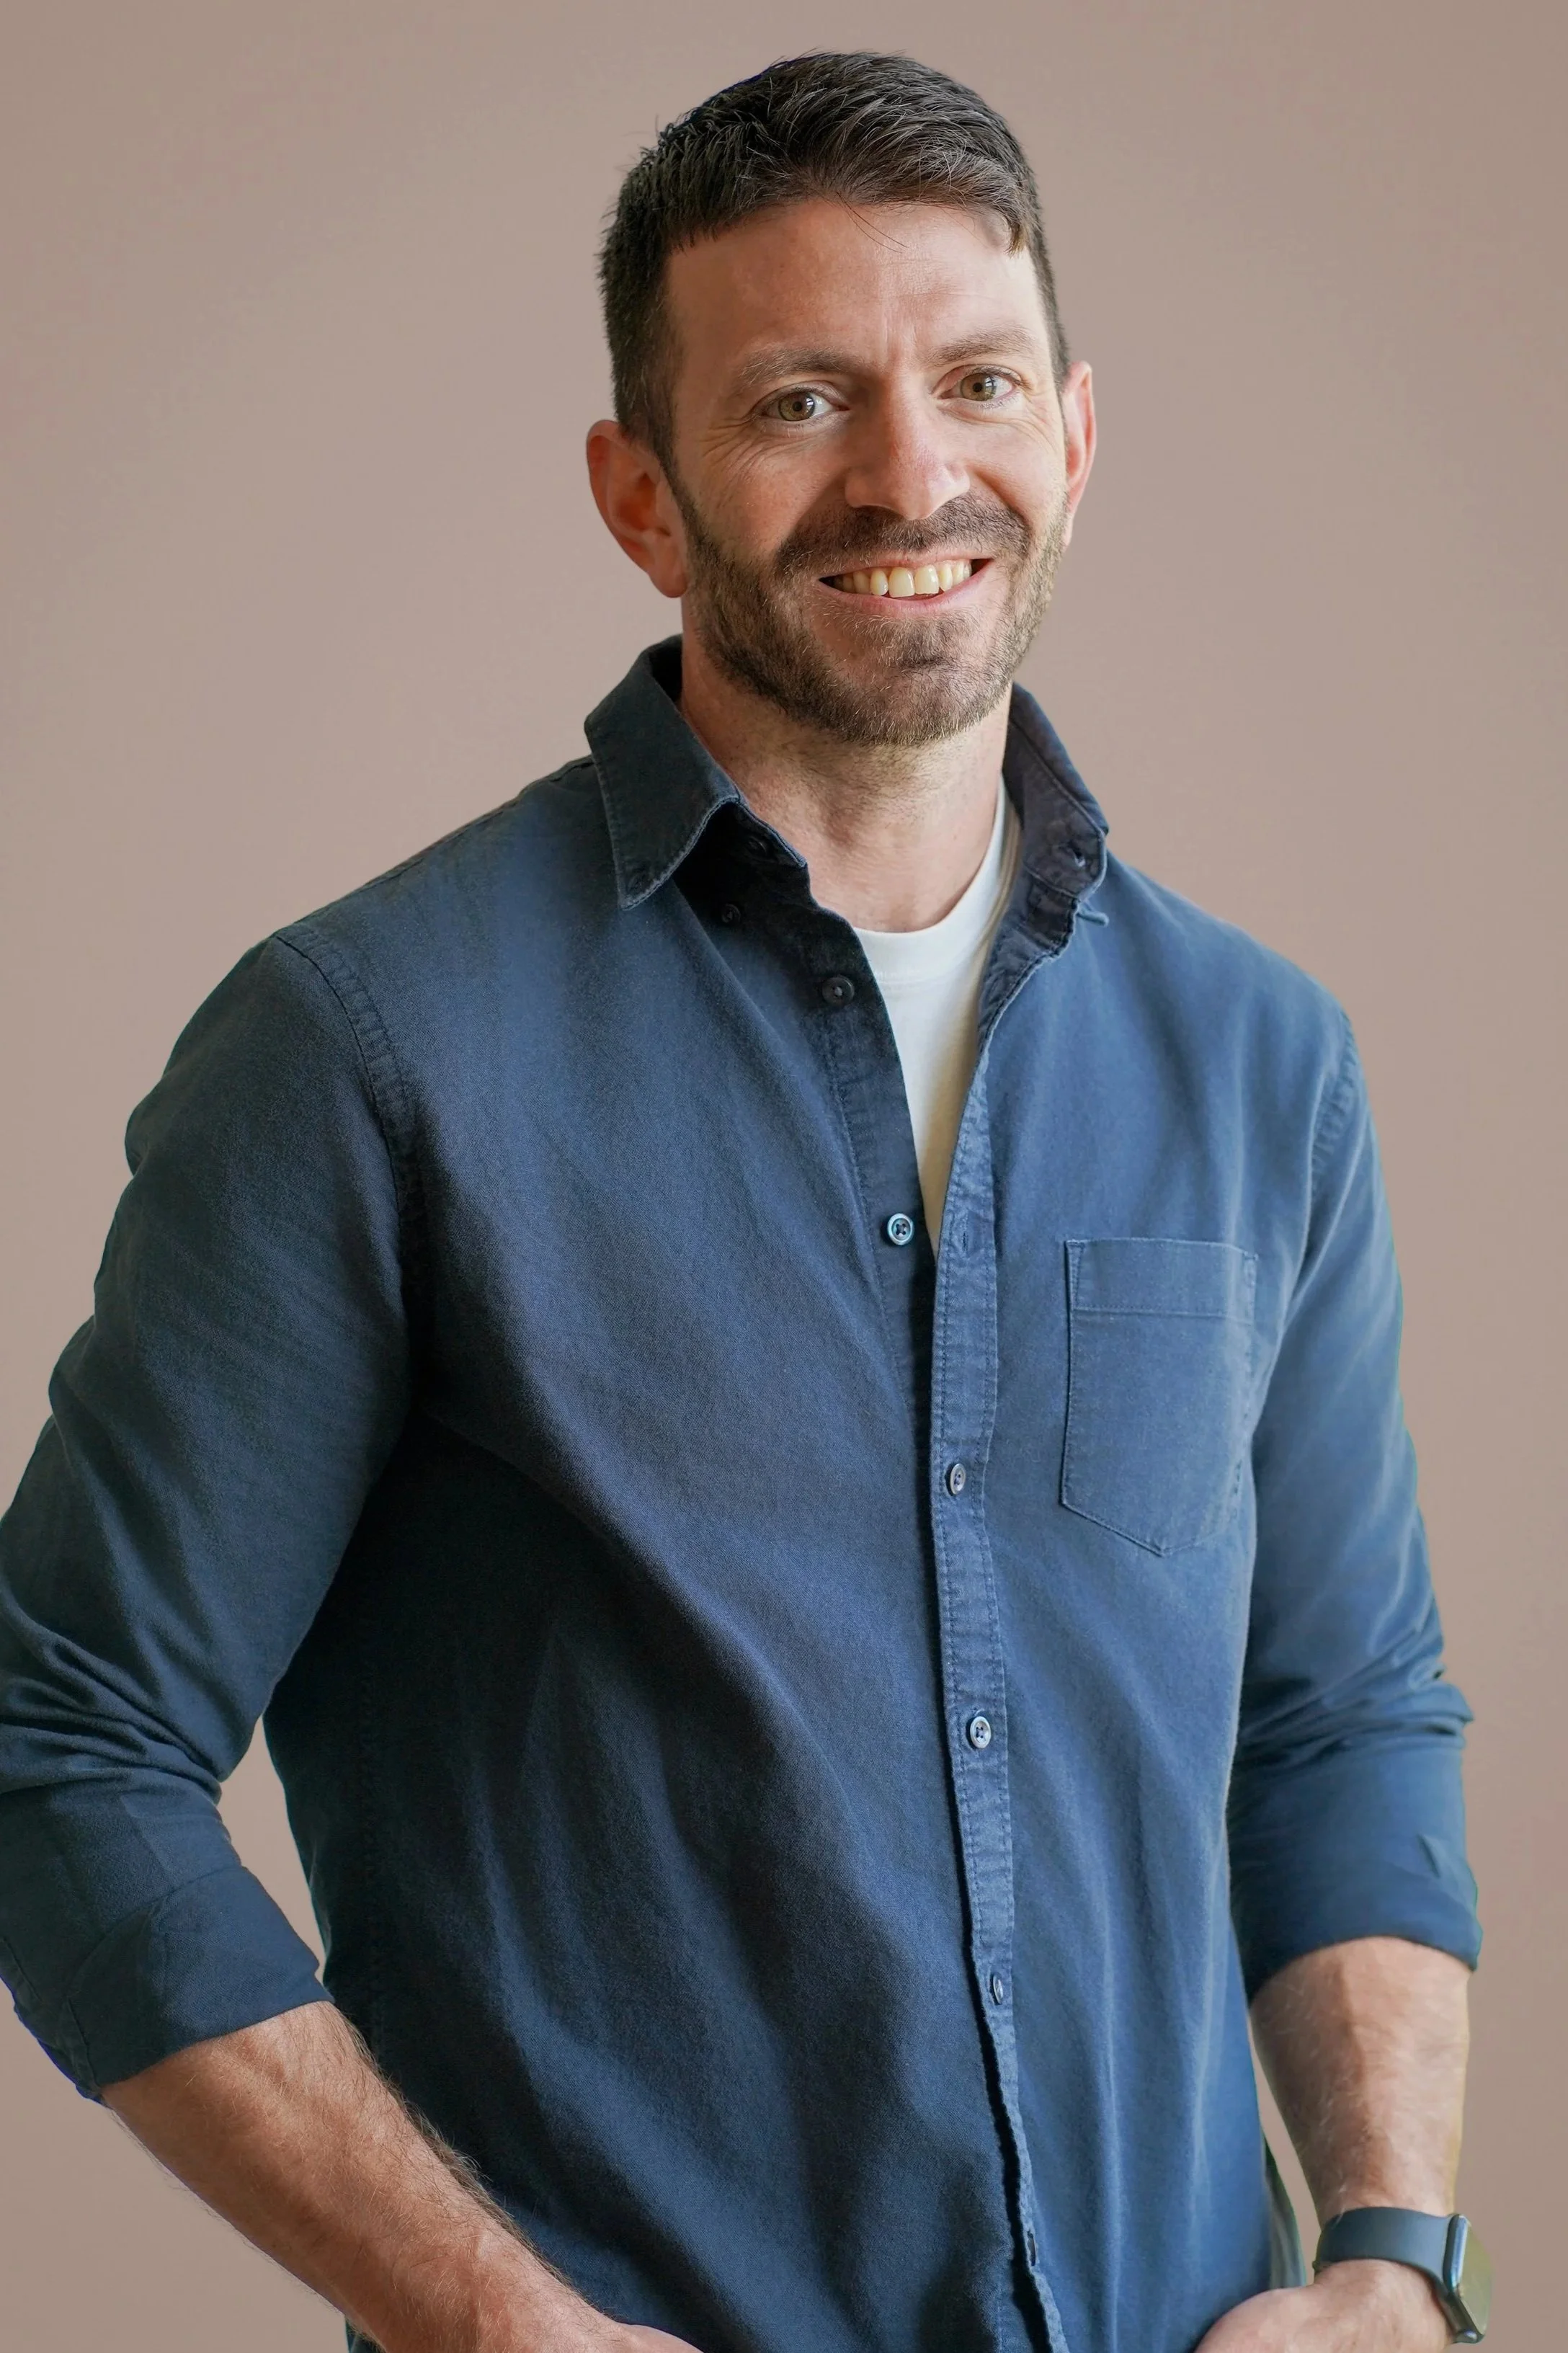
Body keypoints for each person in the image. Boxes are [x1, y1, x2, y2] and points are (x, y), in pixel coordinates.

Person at [0, 50, 1484, 2353]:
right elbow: (60, 1748)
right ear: (642, 493)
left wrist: (1392, 2260)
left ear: (1075, 432)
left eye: (979, 381)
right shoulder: (365, 1049)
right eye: (801, 400)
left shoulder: (1260, 1058)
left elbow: (1337, 1720)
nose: (915, 473)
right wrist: (498, 2326)